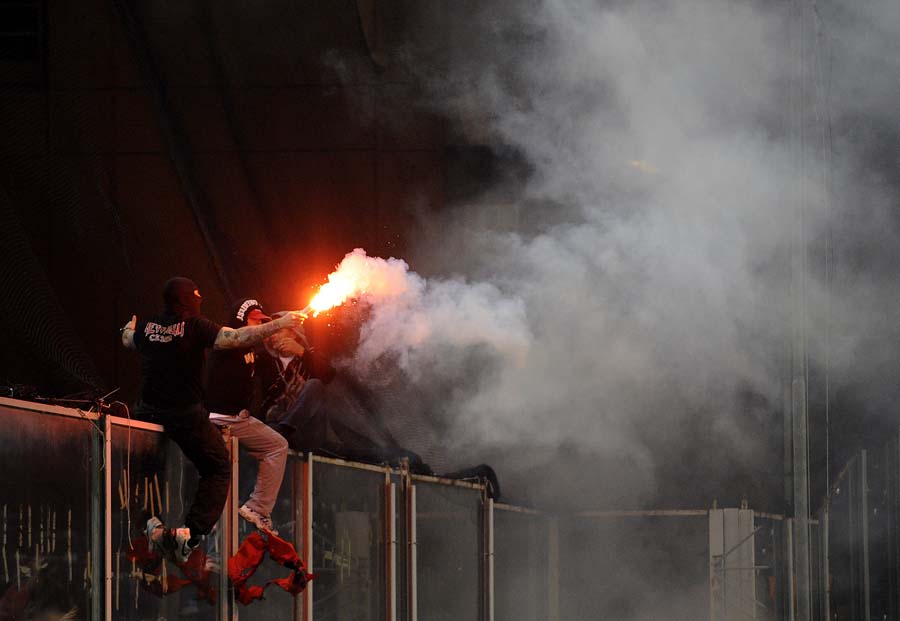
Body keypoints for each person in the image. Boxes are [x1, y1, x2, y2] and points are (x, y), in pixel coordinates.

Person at [120, 277, 305, 563]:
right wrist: (281, 322)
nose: (199, 301)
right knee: (218, 467)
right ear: (187, 299)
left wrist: (129, 328)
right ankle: (190, 536)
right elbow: (232, 338)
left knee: (147, 472)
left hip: (147, 413)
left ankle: (148, 525)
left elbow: (128, 341)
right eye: (196, 297)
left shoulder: (148, 327)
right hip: (184, 414)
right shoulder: (195, 325)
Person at [204, 298, 288, 535]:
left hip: (238, 420)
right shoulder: (227, 338)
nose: (261, 326)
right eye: (256, 321)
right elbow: (241, 336)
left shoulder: (253, 350)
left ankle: (256, 509)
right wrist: (278, 323)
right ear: (242, 319)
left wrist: (284, 326)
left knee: (276, 445)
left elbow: (276, 377)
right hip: (220, 419)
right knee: (220, 489)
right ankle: (257, 509)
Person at [256, 315, 335, 452]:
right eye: (271, 331)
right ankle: (281, 432)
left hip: (305, 430)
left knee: (315, 384)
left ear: (293, 333)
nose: (273, 335)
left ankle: (285, 429)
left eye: (278, 330)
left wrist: (301, 352)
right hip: (273, 425)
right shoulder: (264, 359)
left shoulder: (310, 355)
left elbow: (329, 374)